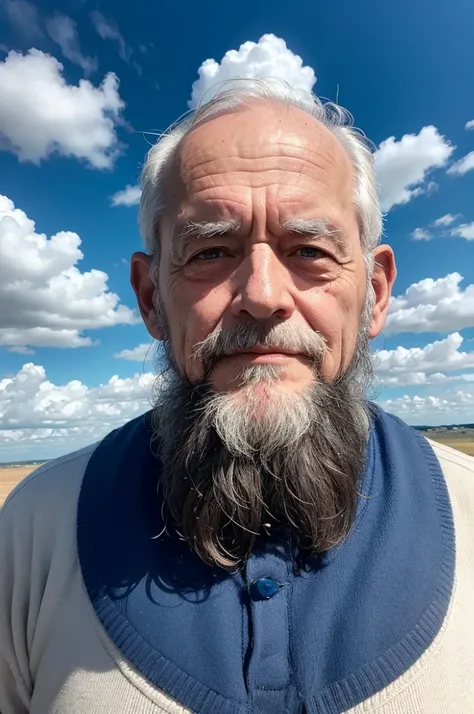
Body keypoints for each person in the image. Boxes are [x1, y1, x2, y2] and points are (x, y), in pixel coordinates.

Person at [0, 78, 473, 714]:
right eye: (211, 251)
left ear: (376, 293)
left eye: (309, 250)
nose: (263, 294)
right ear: (150, 299)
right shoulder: (35, 529)